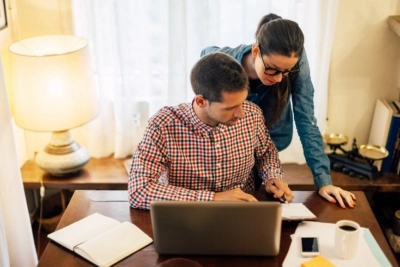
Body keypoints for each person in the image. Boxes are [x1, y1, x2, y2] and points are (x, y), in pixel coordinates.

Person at [201, 13, 356, 208]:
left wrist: (324, 181)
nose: (279, 78)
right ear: (256, 51)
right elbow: (206, 54)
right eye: (272, 69)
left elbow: (306, 119)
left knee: (265, 198)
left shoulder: (294, 62)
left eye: (286, 72)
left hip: (274, 141)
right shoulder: (226, 61)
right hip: (234, 148)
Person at [128, 52, 294, 210]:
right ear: (201, 101)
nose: (241, 114)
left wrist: (272, 176)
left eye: (242, 102)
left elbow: (266, 154)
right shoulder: (162, 125)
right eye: (230, 108)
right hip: (187, 218)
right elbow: (139, 191)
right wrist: (213, 199)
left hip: (244, 214)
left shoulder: (253, 114)